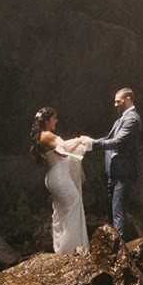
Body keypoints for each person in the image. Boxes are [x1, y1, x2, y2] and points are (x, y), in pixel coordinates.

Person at [28, 106, 93, 254]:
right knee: (74, 204)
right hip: (59, 176)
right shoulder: (46, 135)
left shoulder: (46, 135)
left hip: (56, 175)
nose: (56, 121)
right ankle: (70, 249)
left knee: (64, 210)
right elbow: (65, 152)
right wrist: (79, 141)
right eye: (54, 118)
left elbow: (63, 146)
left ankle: (69, 247)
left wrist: (77, 141)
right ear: (47, 120)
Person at [88, 87, 140, 238]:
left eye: (118, 101)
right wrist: (89, 142)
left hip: (123, 172)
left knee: (118, 212)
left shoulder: (132, 119)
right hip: (114, 172)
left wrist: (92, 144)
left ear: (128, 99)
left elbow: (117, 142)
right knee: (111, 212)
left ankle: (119, 251)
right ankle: (113, 244)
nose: (115, 104)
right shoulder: (121, 119)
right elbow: (108, 138)